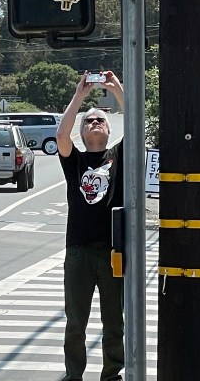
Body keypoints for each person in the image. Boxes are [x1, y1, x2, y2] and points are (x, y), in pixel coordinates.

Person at [57, 70, 125, 381]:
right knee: (75, 323)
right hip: (79, 253)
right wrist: (80, 97)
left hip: (112, 252)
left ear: (109, 130)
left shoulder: (119, 156)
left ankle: (112, 375)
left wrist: (118, 90)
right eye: (88, 121)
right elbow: (61, 136)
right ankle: (74, 375)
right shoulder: (76, 161)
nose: (94, 123)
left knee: (114, 323)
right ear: (82, 133)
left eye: (99, 120)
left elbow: (138, 127)